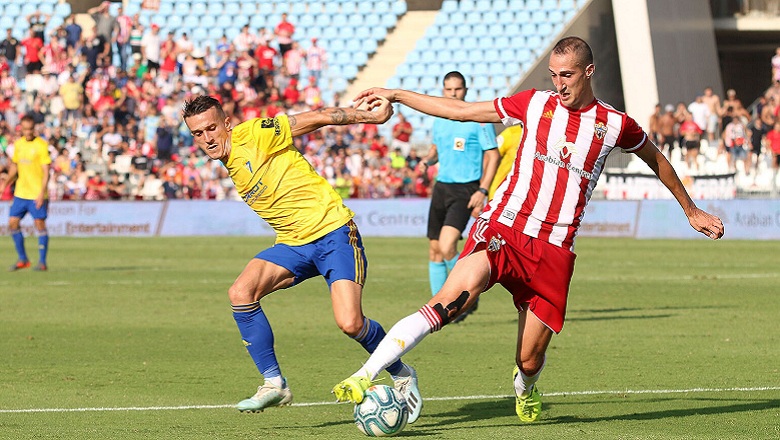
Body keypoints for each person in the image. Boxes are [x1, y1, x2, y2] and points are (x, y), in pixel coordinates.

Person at [333, 36, 725, 424]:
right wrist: (397, 94)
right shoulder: (535, 104)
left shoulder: (615, 124)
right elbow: (463, 112)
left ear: (589, 72)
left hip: (553, 251)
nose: (559, 84)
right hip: (504, 228)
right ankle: (363, 376)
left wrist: (690, 211)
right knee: (451, 301)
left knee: (529, 358)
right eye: (554, 75)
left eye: (567, 75)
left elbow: (656, 159)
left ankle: (526, 387)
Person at [180, 95, 421, 415]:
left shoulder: (254, 134)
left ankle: (402, 374)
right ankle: (274, 384)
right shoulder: (230, 161)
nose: (207, 138)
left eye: (211, 128)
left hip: (333, 233)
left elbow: (318, 116)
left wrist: (366, 116)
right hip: (294, 244)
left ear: (226, 123)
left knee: (350, 323)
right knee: (240, 293)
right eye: (197, 134)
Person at [420, 72, 499, 313]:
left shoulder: (479, 120)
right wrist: (428, 160)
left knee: (447, 246)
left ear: (465, 90)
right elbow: (436, 149)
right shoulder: (439, 118)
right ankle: (439, 306)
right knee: (434, 250)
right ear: (443, 91)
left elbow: (493, 155)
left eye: (457, 89)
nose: (453, 94)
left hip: (465, 189)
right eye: (448, 90)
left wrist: (482, 189)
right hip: (442, 187)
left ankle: (466, 296)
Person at [0, 115, 52, 271]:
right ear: (21, 129)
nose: (28, 132)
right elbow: (15, 168)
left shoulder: (41, 145)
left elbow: (46, 171)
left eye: (31, 129)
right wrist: (5, 184)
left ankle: (42, 262)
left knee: (39, 224)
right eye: (25, 129)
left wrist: (41, 193)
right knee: (12, 223)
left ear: (34, 128)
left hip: (36, 193)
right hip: (21, 193)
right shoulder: (18, 145)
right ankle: (23, 259)